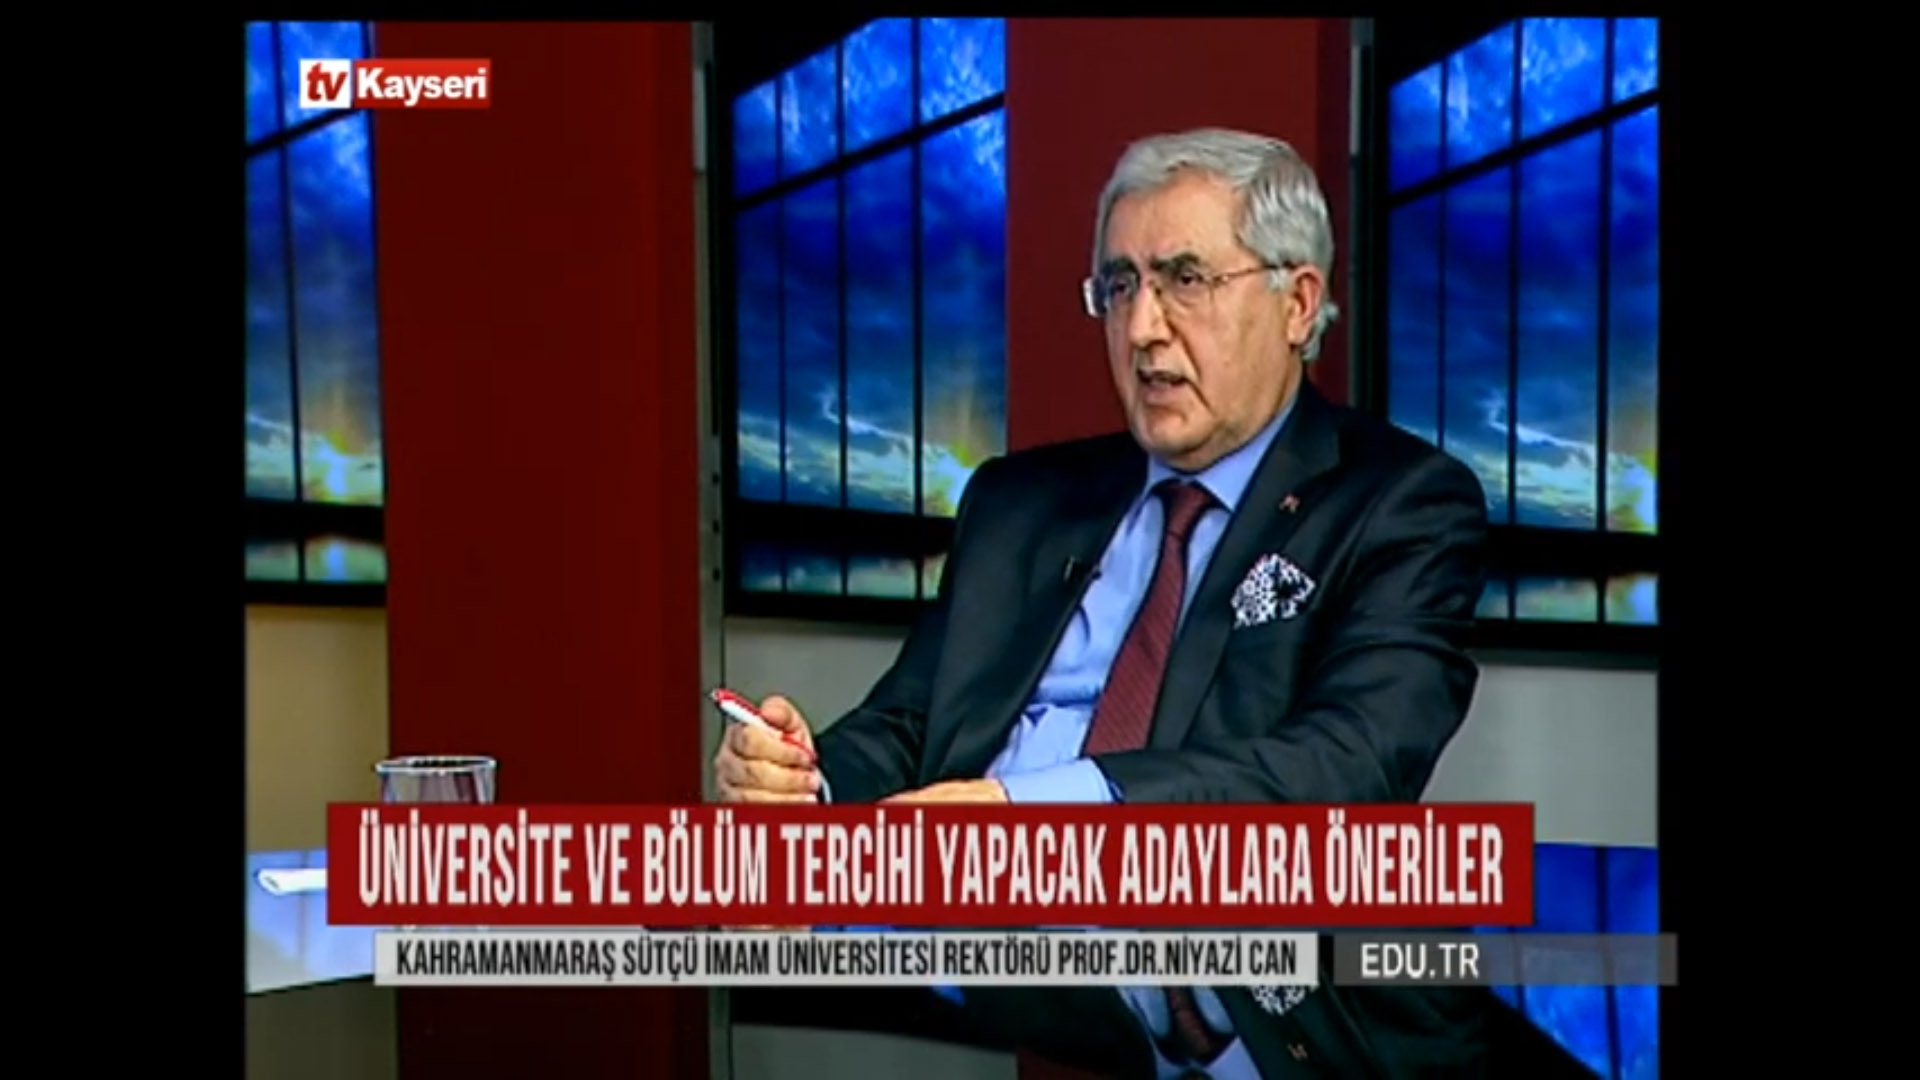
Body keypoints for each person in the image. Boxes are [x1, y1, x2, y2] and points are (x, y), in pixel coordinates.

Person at [714, 128, 1508, 1079]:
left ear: (1297, 303)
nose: (1141, 330)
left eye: (1185, 280)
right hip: (992, 971)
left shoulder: (1400, 502)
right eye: (1120, 286)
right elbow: (911, 723)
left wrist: (1038, 821)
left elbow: (1350, 764)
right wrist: (807, 786)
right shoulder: (1020, 503)